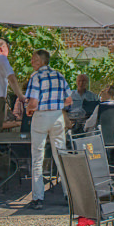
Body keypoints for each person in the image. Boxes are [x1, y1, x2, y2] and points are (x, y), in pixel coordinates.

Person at [19, 49, 72, 210]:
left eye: (34, 60)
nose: (31, 62)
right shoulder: (59, 75)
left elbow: (33, 103)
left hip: (41, 117)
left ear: (42, 61)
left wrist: (29, 109)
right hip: (57, 117)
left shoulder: (36, 77)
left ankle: (38, 198)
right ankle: (68, 194)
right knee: (61, 156)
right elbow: (69, 100)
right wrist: (56, 107)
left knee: (37, 157)